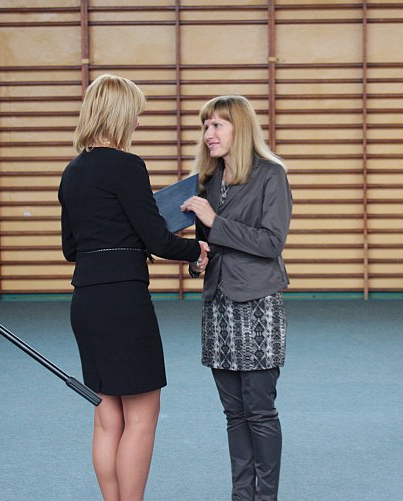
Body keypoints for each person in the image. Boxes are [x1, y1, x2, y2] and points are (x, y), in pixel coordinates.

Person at [58, 74, 208, 501]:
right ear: (120, 114)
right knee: (141, 417)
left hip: (86, 301)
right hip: (123, 301)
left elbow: (71, 248)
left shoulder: (72, 172)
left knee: (107, 419)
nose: (138, 122)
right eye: (136, 114)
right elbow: (157, 240)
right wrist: (198, 249)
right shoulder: (127, 166)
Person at [181, 95, 292, 500]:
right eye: (205, 125)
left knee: (259, 411)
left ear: (239, 128)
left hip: (258, 305)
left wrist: (215, 221)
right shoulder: (208, 181)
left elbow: (271, 242)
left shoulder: (271, 174)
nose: (208, 133)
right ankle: (241, 495)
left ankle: (266, 497)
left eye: (217, 125)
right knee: (234, 414)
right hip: (218, 306)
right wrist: (198, 262)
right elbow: (208, 247)